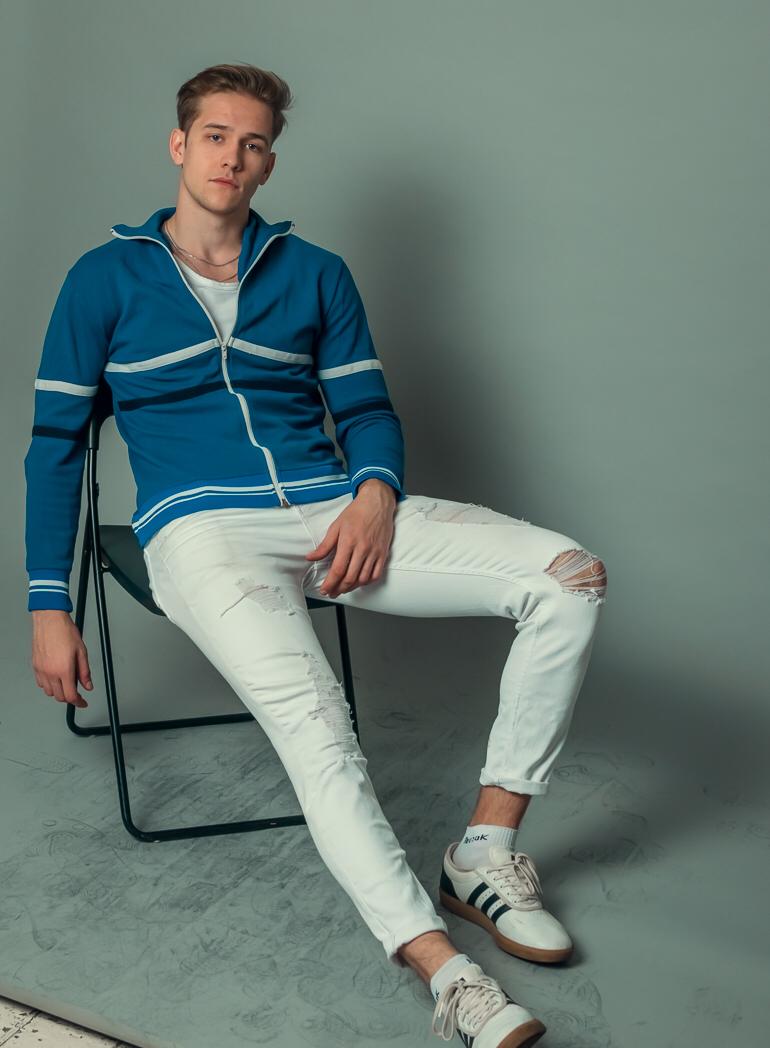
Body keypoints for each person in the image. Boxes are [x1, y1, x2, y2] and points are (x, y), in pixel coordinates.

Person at [25, 62, 607, 1048]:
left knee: (569, 579)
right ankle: (444, 972)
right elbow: (55, 447)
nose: (232, 156)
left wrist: (375, 494)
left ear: (268, 163)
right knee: (320, 729)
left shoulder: (315, 273)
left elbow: (367, 409)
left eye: (252, 143)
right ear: (179, 145)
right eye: (215, 136)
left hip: (333, 511)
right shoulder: (102, 279)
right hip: (201, 531)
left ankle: (483, 852)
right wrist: (50, 603)